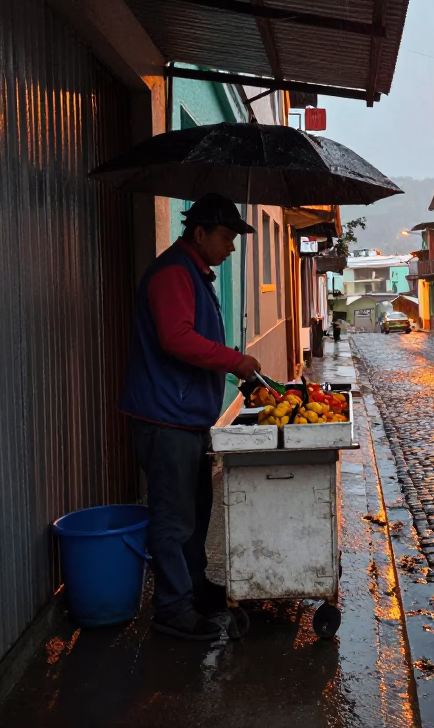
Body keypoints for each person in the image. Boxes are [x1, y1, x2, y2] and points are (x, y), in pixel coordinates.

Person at [119, 194, 261, 641]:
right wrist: (233, 361)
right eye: (226, 237)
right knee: (172, 518)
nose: (231, 248)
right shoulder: (172, 275)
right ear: (198, 233)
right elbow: (177, 339)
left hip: (186, 417)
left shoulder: (195, 274)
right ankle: (173, 609)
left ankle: (197, 591)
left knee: (196, 514)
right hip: (166, 418)